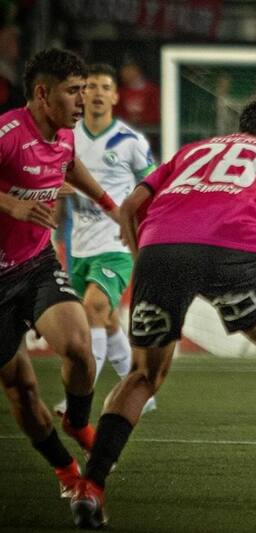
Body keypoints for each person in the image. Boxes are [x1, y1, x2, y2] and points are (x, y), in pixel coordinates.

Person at [68, 97, 256, 528]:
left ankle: (91, 486)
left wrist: (148, 263)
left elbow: (131, 207)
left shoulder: (193, 151)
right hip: (232, 250)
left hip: (160, 252)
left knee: (142, 375)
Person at [0, 48, 121, 499]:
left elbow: (69, 165)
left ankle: (76, 419)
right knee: (21, 390)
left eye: (84, 89)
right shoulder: (8, 133)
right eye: (73, 91)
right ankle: (66, 470)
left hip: (35, 264)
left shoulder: (65, 135)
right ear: (41, 93)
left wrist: (111, 206)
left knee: (78, 345)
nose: (82, 100)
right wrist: (11, 204)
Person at [53, 63, 158, 418]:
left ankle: (79, 396)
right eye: (91, 87)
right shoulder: (67, 138)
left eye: (105, 87)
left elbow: (153, 187)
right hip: (79, 247)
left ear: (115, 97)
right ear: (82, 94)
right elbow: (50, 181)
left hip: (117, 245)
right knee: (108, 319)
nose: (97, 93)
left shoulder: (131, 142)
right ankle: (141, 389)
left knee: (93, 309)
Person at [116, 58, 160, 128]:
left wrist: (141, 119)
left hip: (150, 131)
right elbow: (116, 114)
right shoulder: (120, 92)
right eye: (123, 71)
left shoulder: (153, 91)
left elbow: (156, 114)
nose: (123, 74)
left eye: (128, 70)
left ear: (137, 70)